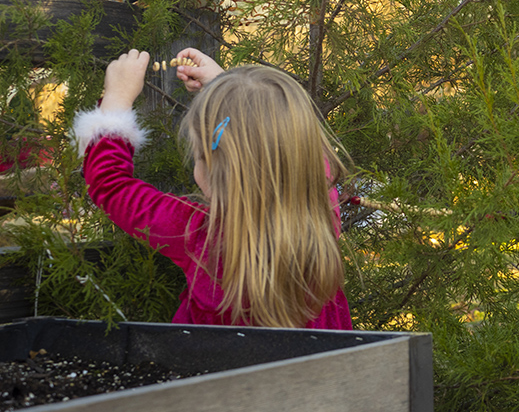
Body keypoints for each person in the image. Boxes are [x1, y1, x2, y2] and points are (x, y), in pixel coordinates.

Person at [74, 48, 353, 330]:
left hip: (214, 372)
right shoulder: (322, 218)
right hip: (321, 373)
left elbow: (110, 184)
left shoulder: (199, 233)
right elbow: (295, 147)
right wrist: (230, 92)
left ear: (210, 172)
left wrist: (116, 99)